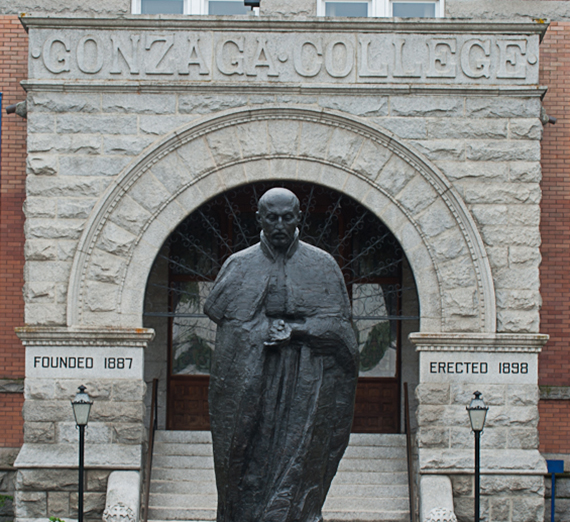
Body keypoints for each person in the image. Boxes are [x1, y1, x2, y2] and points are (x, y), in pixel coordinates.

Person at [204, 187, 359, 522]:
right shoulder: (239, 264)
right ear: (259, 218)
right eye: (271, 217)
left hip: (305, 388)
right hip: (252, 386)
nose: (279, 224)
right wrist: (263, 331)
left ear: (298, 217)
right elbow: (226, 323)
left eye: (286, 217)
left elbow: (342, 331)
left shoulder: (322, 265)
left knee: (300, 465)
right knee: (248, 469)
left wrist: (299, 331)